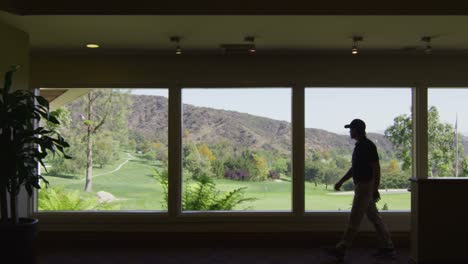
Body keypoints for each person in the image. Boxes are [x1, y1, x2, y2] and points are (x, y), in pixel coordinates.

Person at [326, 119, 396, 262]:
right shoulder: (360, 146)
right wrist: (341, 181)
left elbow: (376, 168)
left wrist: (375, 189)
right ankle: (388, 247)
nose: (350, 131)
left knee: (354, 218)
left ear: (357, 130)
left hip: (365, 186)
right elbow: (354, 169)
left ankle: (342, 248)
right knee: (375, 218)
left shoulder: (367, 146)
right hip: (363, 186)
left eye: (351, 129)